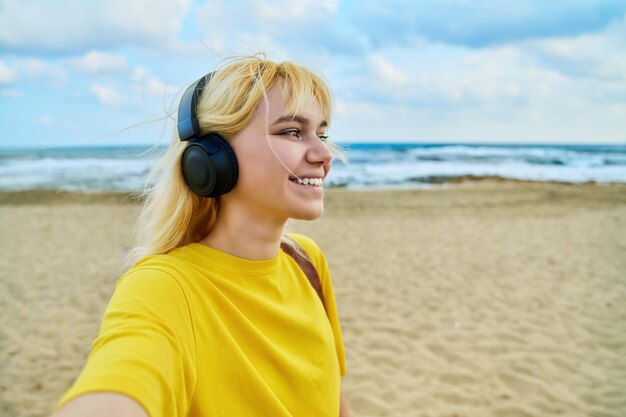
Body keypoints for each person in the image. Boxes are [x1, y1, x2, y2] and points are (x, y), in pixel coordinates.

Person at [50, 55, 349, 417]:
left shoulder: (306, 262)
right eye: (291, 131)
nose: (323, 154)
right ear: (211, 157)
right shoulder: (164, 286)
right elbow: (121, 378)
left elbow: (335, 401)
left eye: (323, 133)